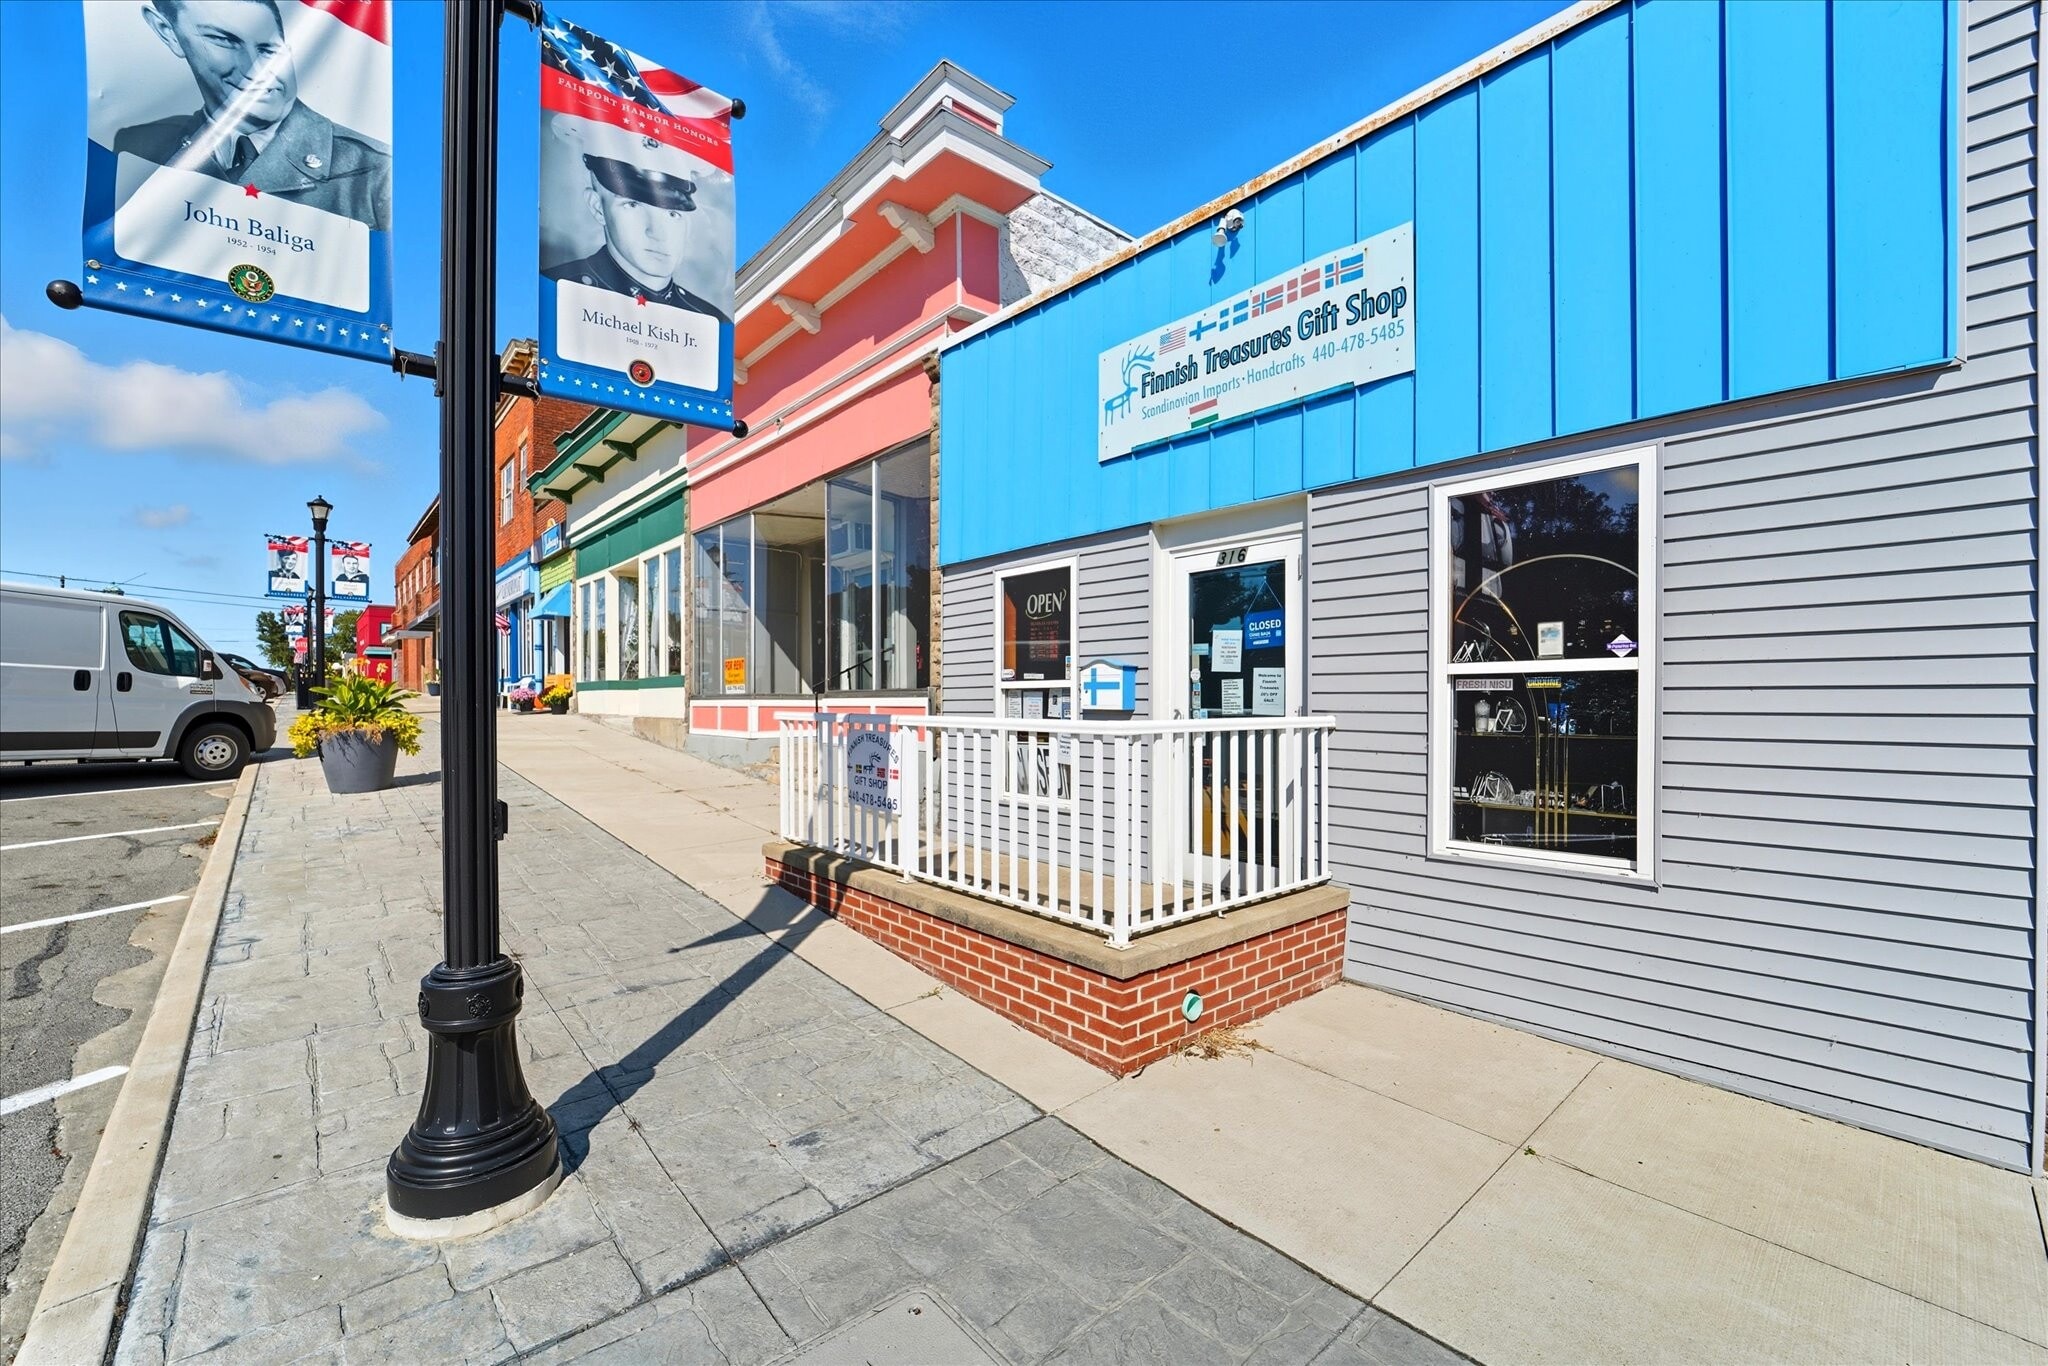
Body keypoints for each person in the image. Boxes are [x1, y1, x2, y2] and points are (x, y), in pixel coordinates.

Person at [115, 0, 391, 232]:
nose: (256, 69)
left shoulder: (374, 172)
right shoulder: (140, 147)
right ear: (168, 32)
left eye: (268, 49)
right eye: (223, 40)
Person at [544, 155, 729, 322]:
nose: (658, 233)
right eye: (632, 205)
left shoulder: (711, 321)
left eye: (673, 213)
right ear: (597, 206)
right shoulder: (554, 291)